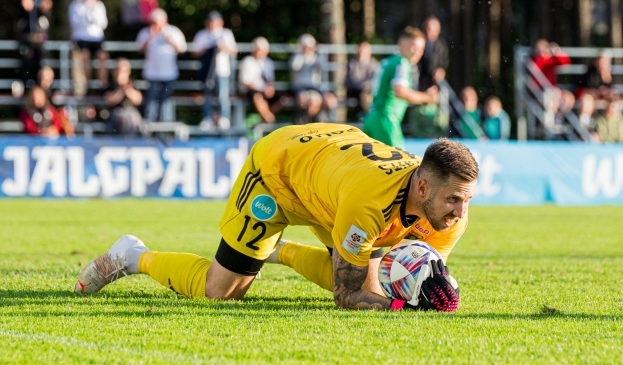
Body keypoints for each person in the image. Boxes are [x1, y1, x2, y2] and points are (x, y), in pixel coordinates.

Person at [75, 123, 478, 313]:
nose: (461, 213)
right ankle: (133, 255)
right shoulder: (368, 205)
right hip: (278, 173)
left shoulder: (447, 211)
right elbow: (348, 295)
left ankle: (279, 251)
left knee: (371, 263)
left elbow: (401, 270)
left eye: (468, 201)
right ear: (423, 189)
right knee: (221, 291)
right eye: (454, 200)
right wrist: (401, 308)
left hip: (330, 180)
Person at [363, 27, 438, 149]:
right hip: (387, 120)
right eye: (414, 46)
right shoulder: (402, 63)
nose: (418, 52)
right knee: (399, 165)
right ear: (401, 44)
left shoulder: (387, 62)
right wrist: (427, 97)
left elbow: (367, 92)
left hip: (372, 118)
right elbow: (400, 91)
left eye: (421, 49)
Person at [135, 8, 187, 122]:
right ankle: (150, 125)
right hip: (152, 73)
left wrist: (170, 41)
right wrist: (150, 37)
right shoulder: (146, 32)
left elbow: (182, 49)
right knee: (151, 100)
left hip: (169, 73)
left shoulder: (173, 31)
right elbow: (139, 49)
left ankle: (165, 126)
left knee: (165, 101)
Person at [193, 11, 237, 129]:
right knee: (207, 95)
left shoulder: (225, 34)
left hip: (222, 70)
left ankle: (224, 118)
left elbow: (234, 51)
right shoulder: (201, 35)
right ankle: (208, 118)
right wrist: (208, 48)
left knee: (223, 95)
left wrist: (223, 47)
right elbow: (195, 53)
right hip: (207, 71)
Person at [289, 34, 338, 124]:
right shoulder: (297, 56)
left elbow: (323, 67)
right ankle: (308, 124)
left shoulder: (317, 56)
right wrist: (304, 55)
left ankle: (331, 124)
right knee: (307, 101)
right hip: (301, 87)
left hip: (316, 87)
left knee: (331, 101)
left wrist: (316, 54)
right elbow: (294, 67)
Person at [68, 0, 109, 90]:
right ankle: (88, 85)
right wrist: (86, 12)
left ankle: (102, 84)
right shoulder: (76, 6)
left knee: (102, 56)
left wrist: (93, 12)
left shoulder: (99, 6)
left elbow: (103, 23)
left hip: (96, 37)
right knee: (84, 56)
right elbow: (75, 23)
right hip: (82, 37)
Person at [17, 0, 52, 86]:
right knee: (27, 62)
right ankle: (27, 86)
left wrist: (44, 5)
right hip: (27, 39)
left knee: (42, 63)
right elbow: (22, 12)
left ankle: (41, 87)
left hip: (40, 40)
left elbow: (47, 9)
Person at [239, 37, 282, 124]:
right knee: (258, 97)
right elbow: (246, 82)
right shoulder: (247, 61)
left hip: (264, 90)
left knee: (282, 99)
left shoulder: (268, 62)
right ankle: (270, 120)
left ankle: (263, 120)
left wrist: (270, 89)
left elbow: (270, 80)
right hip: (251, 91)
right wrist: (262, 89)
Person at [104, 59, 143, 136]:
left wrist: (127, 89)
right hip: (116, 111)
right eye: (119, 70)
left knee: (134, 119)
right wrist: (121, 90)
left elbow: (138, 100)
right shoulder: (111, 85)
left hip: (131, 111)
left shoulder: (132, 83)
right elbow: (109, 100)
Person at [345, 41, 379, 120]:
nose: (360, 53)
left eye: (363, 50)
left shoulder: (374, 64)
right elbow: (352, 80)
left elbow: (375, 80)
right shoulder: (352, 64)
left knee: (367, 94)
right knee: (366, 95)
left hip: (369, 91)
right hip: (355, 90)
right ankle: (369, 116)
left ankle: (367, 115)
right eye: (359, 50)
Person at [419, 16, 449, 90]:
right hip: (418, 80)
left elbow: (444, 62)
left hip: (434, 82)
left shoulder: (441, 46)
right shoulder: (419, 43)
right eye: (427, 28)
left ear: (438, 31)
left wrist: (441, 71)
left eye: (431, 29)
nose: (428, 31)